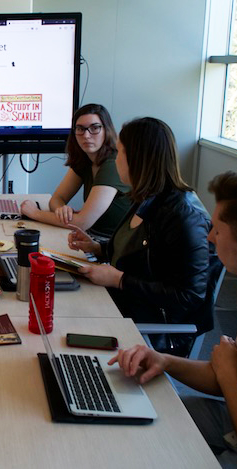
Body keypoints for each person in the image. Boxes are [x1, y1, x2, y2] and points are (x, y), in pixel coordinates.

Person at [110, 170, 237, 468]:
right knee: (130, 414)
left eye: (217, 230)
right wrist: (165, 361)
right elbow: (234, 372)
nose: (208, 237)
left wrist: (228, 372)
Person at [68, 117, 221, 355]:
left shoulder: (184, 217)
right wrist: (99, 248)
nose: (115, 159)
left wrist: (119, 279)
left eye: (119, 153)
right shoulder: (147, 197)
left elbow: (189, 296)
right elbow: (142, 252)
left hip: (151, 327)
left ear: (137, 160)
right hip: (123, 302)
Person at [20, 104, 131, 240]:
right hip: (91, 237)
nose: (86, 135)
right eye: (80, 129)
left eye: (94, 128)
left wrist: (35, 213)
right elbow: (56, 199)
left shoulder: (112, 164)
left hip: (109, 245)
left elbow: (82, 222)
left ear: (106, 130)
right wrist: (61, 209)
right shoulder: (85, 158)